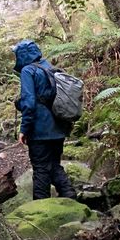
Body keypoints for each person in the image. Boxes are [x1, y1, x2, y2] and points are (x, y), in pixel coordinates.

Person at [13, 39, 76, 201]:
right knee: (54, 165)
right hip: (59, 127)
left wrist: (24, 129)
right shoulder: (48, 67)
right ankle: (69, 196)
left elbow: (29, 103)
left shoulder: (28, 70)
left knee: (41, 168)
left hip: (40, 130)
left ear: (22, 55)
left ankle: (40, 206)